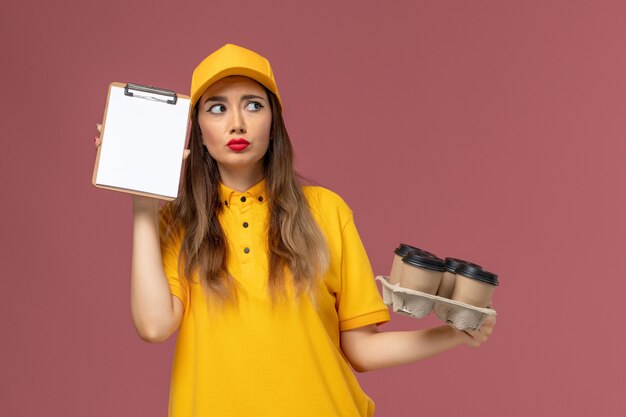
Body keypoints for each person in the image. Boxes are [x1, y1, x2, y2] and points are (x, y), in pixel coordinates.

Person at [95, 43, 496, 417]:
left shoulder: (326, 211)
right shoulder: (177, 223)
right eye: (216, 109)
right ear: (197, 129)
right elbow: (153, 325)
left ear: (274, 121)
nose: (236, 123)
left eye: (253, 105)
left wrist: (454, 335)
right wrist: (143, 205)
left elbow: (361, 350)